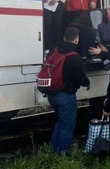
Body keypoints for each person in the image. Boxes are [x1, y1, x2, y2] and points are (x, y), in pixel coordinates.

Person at [46, 27, 90, 156]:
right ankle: (64, 154)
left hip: (51, 93)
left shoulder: (53, 51)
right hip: (65, 95)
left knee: (61, 121)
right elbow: (79, 77)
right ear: (76, 40)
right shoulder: (73, 56)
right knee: (67, 125)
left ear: (64, 37)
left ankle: (54, 150)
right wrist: (87, 83)